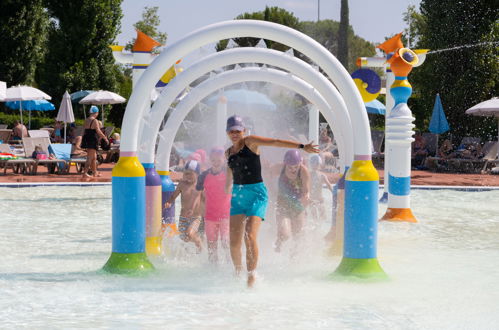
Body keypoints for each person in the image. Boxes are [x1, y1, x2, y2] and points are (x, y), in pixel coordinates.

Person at [224, 115, 319, 287]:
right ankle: (237, 273)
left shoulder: (251, 142)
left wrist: (302, 146)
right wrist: (226, 186)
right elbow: (230, 170)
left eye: (238, 130)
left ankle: (251, 275)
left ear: (243, 131)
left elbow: (275, 142)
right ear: (227, 132)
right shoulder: (228, 152)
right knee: (234, 242)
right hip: (238, 195)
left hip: (256, 194)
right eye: (231, 131)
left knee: (250, 236)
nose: (235, 133)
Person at [196, 147, 231, 263]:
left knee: (226, 242)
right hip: (210, 216)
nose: (216, 163)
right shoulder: (204, 175)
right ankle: (213, 268)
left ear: (224, 160)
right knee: (211, 245)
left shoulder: (229, 174)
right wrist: (198, 211)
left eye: (219, 160)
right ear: (209, 160)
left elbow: (237, 190)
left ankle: (230, 264)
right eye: (213, 160)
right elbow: (198, 194)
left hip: (226, 216)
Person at [272, 149, 311, 253]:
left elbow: (306, 190)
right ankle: (279, 241)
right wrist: (270, 191)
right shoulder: (279, 168)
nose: (293, 169)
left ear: (300, 163)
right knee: (285, 235)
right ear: (285, 163)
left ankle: (293, 259)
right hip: (282, 205)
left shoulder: (303, 171)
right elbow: (264, 176)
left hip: (298, 206)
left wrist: (306, 196)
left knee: (298, 237)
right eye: (290, 167)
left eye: (296, 166)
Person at [165, 160, 204, 253]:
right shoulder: (182, 184)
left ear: (197, 174)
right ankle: (189, 255)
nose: (188, 176)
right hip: (183, 217)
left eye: (191, 174)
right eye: (186, 174)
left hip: (195, 217)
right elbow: (174, 195)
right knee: (184, 239)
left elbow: (201, 200)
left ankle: (199, 242)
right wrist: (169, 202)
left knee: (190, 233)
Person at [81, 106, 108, 178]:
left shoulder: (86, 120)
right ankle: (85, 173)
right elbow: (98, 131)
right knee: (89, 158)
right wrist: (105, 138)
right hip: (92, 139)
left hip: (87, 139)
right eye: (97, 113)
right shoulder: (95, 120)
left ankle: (94, 172)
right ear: (96, 113)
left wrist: (82, 140)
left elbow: (83, 131)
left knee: (94, 157)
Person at [308, 155, 333, 224]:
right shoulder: (308, 175)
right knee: (316, 217)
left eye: (316, 163)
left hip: (319, 199)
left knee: (322, 216)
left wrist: (334, 193)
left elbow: (329, 185)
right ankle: (317, 228)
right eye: (313, 163)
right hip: (312, 200)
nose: (314, 165)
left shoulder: (321, 176)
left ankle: (320, 227)